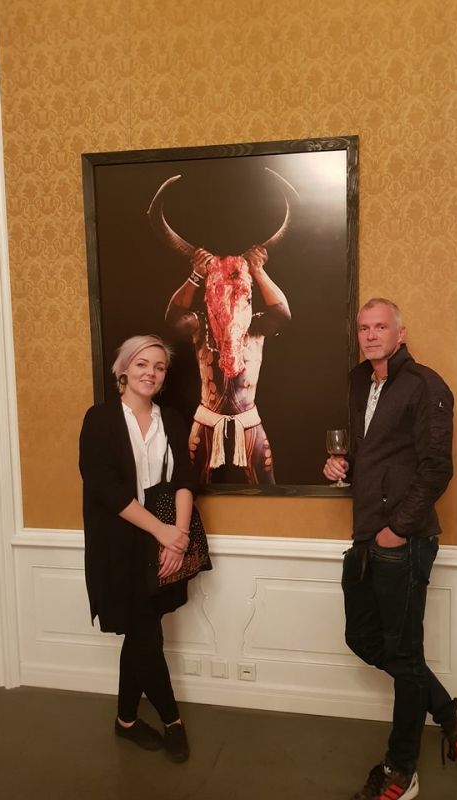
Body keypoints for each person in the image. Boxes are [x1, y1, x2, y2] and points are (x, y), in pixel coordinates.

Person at [323, 299, 457, 800]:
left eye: (381, 327)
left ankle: (401, 770)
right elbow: (374, 453)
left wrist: (397, 529)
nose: (371, 335)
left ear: (400, 333)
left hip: (404, 540)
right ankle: (453, 715)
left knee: (405, 653)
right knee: (363, 638)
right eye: (364, 328)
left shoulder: (425, 385)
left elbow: (437, 468)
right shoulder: (359, 382)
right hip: (365, 534)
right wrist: (341, 465)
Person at [79, 334, 196, 763]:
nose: (151, 373)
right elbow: (106, 488)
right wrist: (163, 532)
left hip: (166, 543)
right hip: (119, 545)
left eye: (159, 367)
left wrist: (178, 537)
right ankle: (172, 720)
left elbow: (184, 479)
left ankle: (126, 720)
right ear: (124, 369)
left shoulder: (174, 420)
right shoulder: (100, 419)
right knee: (146, 633)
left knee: (142, 632)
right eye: (142, 364)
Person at [165, 244, 290, 484]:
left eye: (238, 293)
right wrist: (196, 275)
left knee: (266, 493)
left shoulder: (255, 326)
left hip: (248, 422)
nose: (230, 299)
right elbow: (173, 319)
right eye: (221, 291)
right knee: (193, 491)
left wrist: (258, 271)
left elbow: (282, 315)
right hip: (207, 422)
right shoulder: (201, 325)